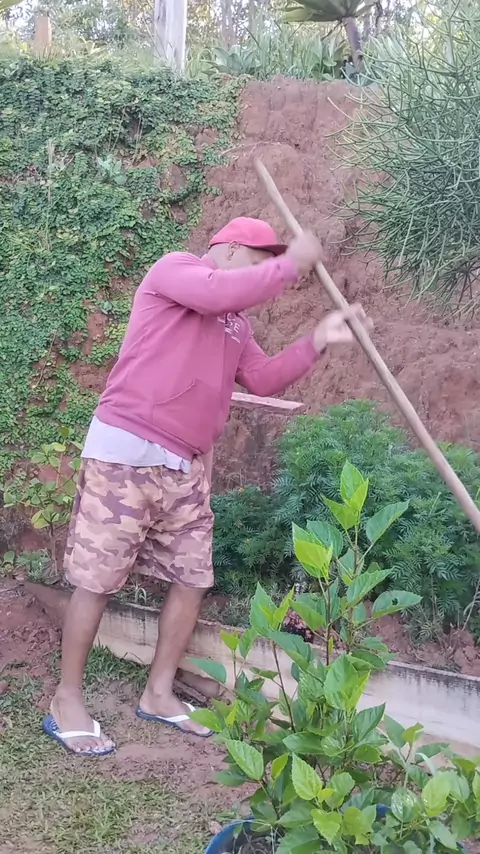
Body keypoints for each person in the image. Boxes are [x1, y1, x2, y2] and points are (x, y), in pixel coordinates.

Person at [43, 216, 372, 757]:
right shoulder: (176, 271)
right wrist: (292, 265)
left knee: (192, 577)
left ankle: (158, 692)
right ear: (231, 248)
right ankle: (67, 699)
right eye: (260, 262)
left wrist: (316, 340)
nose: (263, 274)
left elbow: (262, 378)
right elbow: (217, 292)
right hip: (126, 451)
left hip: (186, 466)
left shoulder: (235, 325)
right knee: (97, 580)